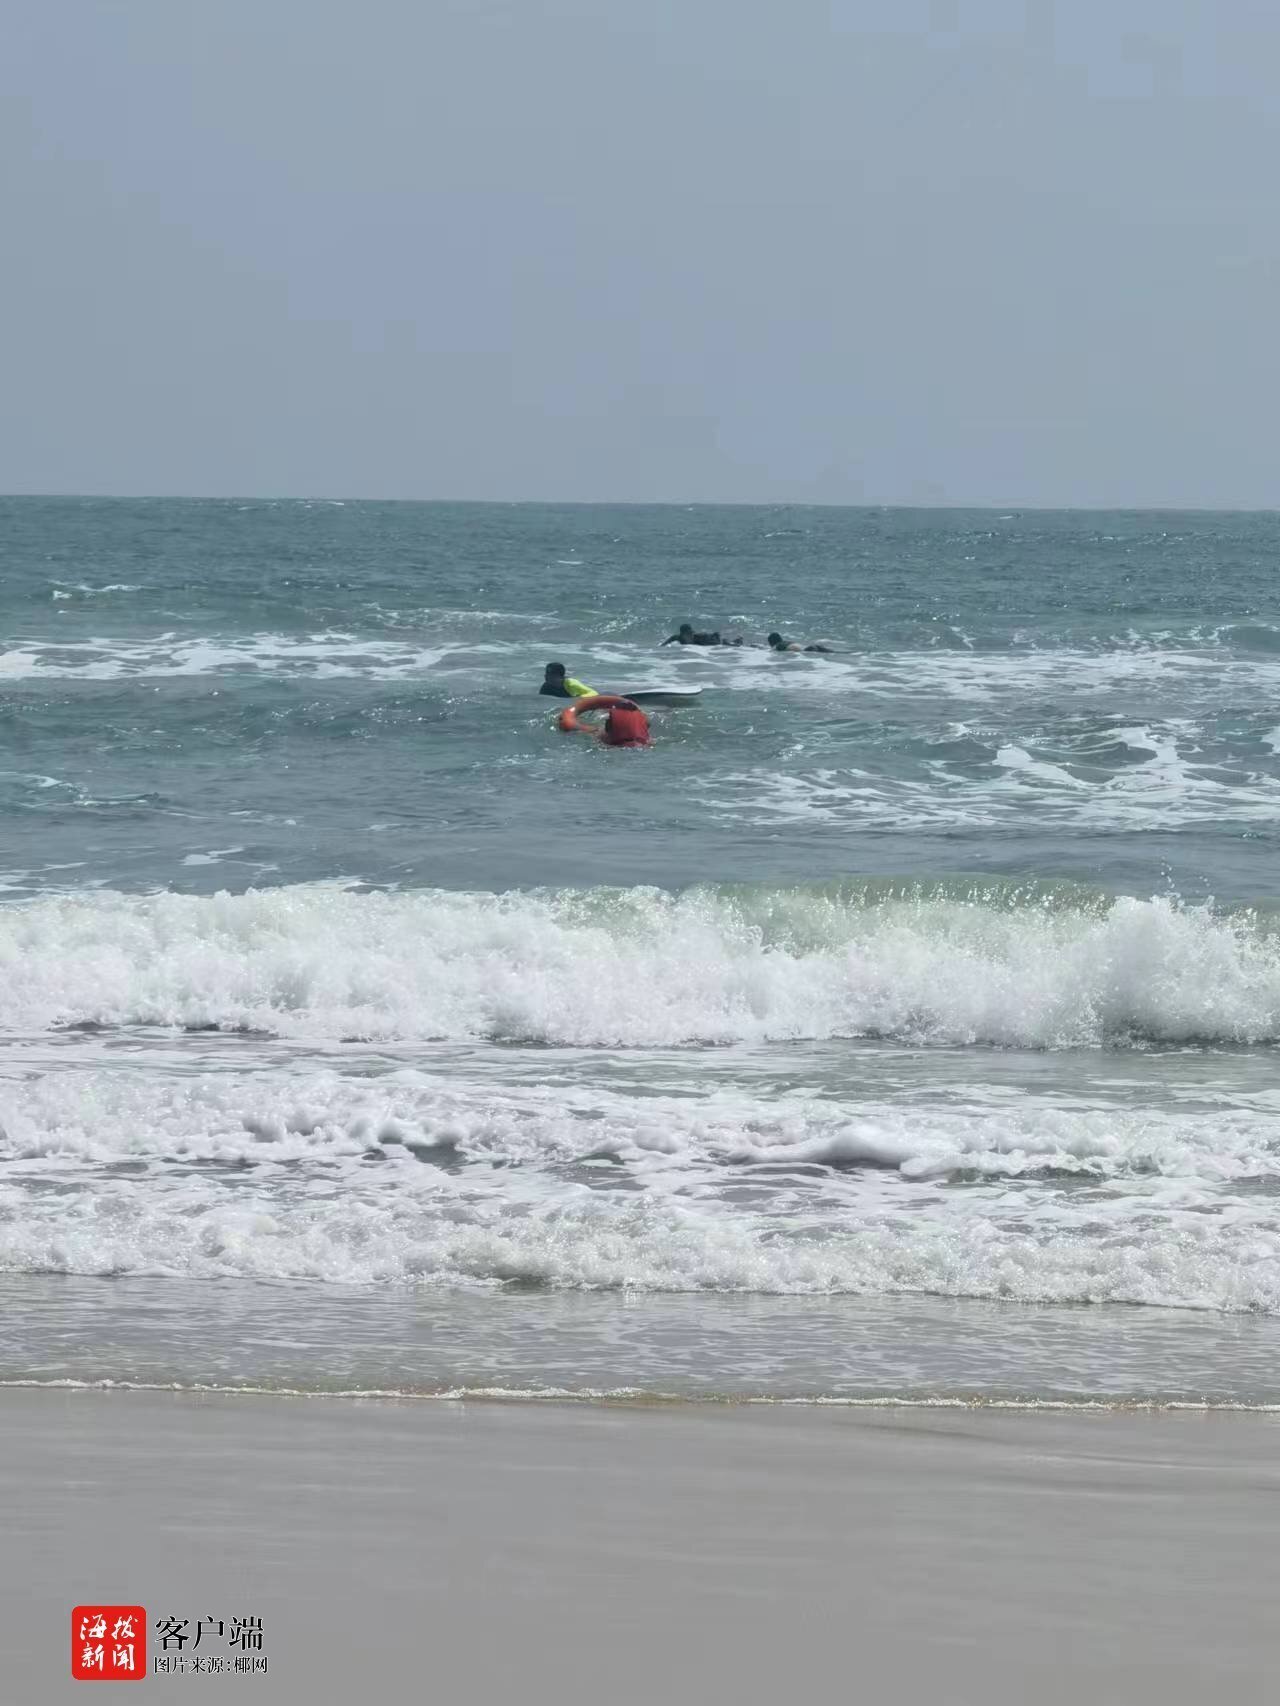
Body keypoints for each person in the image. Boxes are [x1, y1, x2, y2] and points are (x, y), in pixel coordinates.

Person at [767, 631, 834, 654]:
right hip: (809, 647)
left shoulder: (777, 645)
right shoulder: (785, 642)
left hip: (806, 650)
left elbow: (773, 650)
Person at [660, 623, 726, 646]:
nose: (691, 635)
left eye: (691, 633)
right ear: (682, 635)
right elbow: (665, 644)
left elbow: (716, 637)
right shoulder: (677, 637)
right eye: (688, 634)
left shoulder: (699, 638)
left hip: (717, 639)